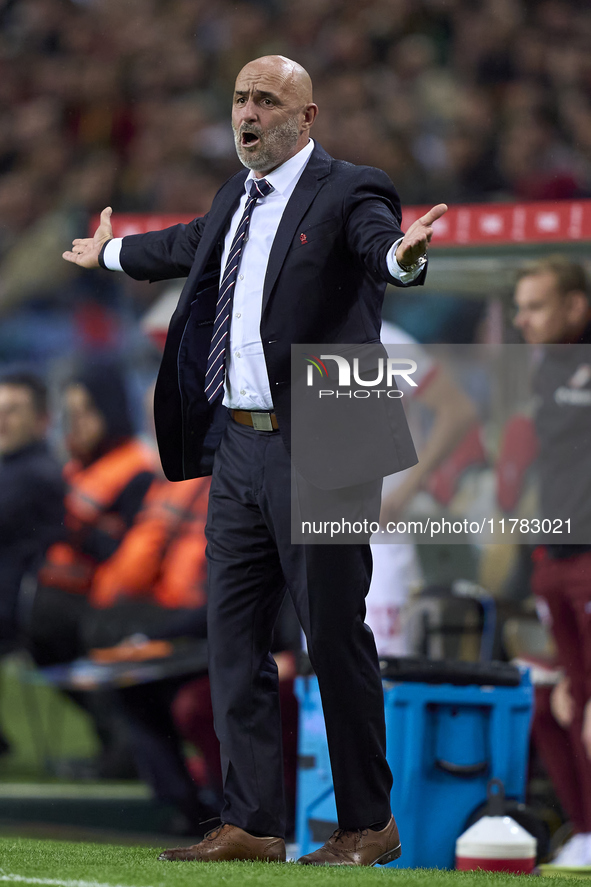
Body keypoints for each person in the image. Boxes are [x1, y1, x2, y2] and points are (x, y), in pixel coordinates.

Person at [63, 54, 447, 866]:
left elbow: (383, 249)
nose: (248, 112)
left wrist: (405, 259)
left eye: (266, 101)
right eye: (240, 98)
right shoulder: (233, 197)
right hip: (239, 441)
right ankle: (252, 822)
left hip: (331, 427)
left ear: (304, 119)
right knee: (230, 634)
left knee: (330, 633)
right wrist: (106, 256)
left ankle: (367, 822)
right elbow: (182, 246)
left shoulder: (352, 187)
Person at [513, 255, 591, 866]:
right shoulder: (543, 372)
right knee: (554, 701)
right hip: (552, 558)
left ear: (576, 306)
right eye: (519, 308)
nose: (522, 321)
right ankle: (583, 835)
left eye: (535, 307)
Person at [0, 370, 65, 755]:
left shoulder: (35, 474)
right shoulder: (14, 469)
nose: (3, 419)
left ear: (42, 420)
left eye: (14, 410)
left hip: (20, 607)